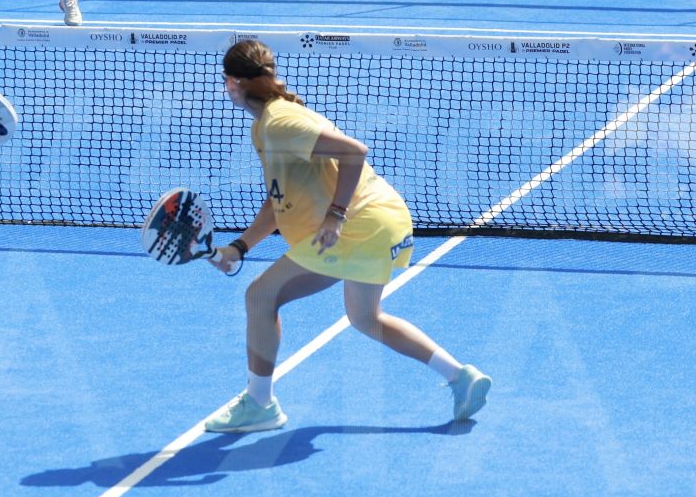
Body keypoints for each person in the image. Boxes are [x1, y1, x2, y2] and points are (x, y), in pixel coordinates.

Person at [202, 39, 489, 433]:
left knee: (261, 295)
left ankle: (259, 403)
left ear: (233, 82)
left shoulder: (280, 122)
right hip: (385, 221)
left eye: (225, 83)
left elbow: (354, 151)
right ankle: (462, 378)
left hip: (359, 224)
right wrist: (239, 247)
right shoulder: (266, 127)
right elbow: (276, 202)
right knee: (366, 319)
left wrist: (335, 217)